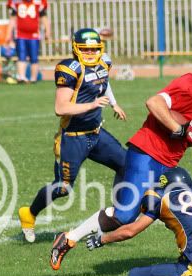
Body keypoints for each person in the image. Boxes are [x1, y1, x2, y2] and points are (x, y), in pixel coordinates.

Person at [50, 73, 192, 271]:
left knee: (183, 209)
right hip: (146, 156)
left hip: (169, 166)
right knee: (124, 216)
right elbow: (154, 102)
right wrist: (175, 127)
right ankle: (69, 239)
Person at [18, 28, 128, 242]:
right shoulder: (70, 69)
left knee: (126, 165)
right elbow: (61, 108)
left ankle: (117, 217)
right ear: (76, 49)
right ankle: (29, 214)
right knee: (63, 188)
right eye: (85, 50)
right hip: (72, 138)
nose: (90, 53)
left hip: (96, 134)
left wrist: (114, 103)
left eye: (94, 49)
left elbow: (103, 82)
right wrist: (93, 104)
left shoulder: (104, 62)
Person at [6, 0, 51, 83]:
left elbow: (43, 17)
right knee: (21, 56)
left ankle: (33, 79)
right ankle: (21, 77)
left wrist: (47, 31)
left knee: (34, 58)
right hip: (20, 34)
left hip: (34, 35)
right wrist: (8, 34)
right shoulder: (16, 2)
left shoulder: (39, 2)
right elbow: (12, 19)